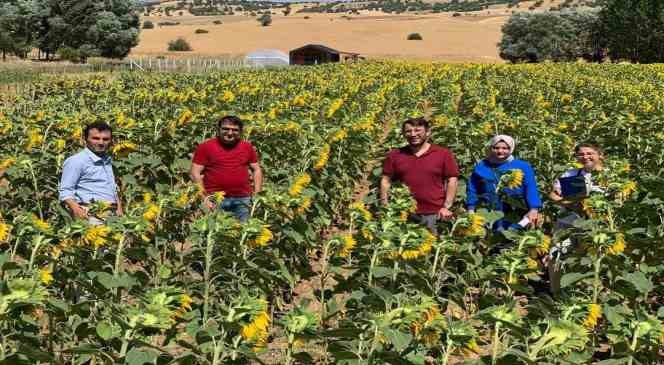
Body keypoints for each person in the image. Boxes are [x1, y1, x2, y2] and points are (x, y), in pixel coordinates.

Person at [380, 117, 459, 235]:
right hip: (404, 213)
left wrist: (446, 206)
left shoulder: (442, 153)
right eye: (408, 131)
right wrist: (385, 205)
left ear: (428, 132)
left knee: (433, 248)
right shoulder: (395, 155)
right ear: (403, 134)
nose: (413, 134)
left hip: (434, 213)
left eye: (417, 130)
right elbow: (385, 181)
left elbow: (452, 180)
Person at [547, 142, 605, 295]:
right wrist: (567, 204)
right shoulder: (571, 174)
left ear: (600, 155)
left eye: (589, 153)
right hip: (568, 224)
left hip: (596, 228)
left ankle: (586, 294)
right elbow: (553, 194)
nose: (585, 156)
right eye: (581, 154)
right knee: (556, 254)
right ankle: (556, 293)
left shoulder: (609, 176)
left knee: (589, 261)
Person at [191, 115, 262, 222]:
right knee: (215, 233)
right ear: (218, 130)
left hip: (243, 200)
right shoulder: (206, 147)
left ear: (241, 132)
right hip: (215, 199)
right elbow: (195, 172)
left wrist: (257, 194)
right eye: (226, 129)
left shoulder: (247, 147)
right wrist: (204, 198)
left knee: (242, 233)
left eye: (235, 130)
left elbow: (256, 170)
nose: (230, 133)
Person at [466, 135, 542, 232]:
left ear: (511, 149)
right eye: (496, 148)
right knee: (489, 238)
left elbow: (530, 188)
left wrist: (534, 208)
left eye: (505, 148)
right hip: (488, 209)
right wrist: (471, 208)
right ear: (491, 148)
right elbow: (472, 188)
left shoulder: (522, 166)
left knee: (511, 237)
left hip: (514, 210)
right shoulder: (483, 165)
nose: (500, 151)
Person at [59, 122, 123, 224]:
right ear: (85, 139)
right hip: (90, 213)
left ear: (111, 141)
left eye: (105, 139)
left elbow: (112, 187)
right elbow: (65, 190)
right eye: (96, 138)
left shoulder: (107, 160)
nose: (101, 142)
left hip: (111, 214)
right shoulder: (77, 161)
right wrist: (76, 209)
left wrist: (119, 208)